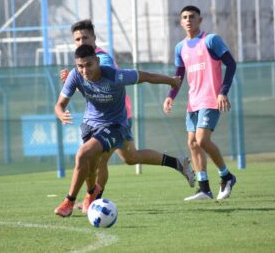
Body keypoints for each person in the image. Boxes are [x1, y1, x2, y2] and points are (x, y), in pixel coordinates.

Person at [59, 20, 193, 212]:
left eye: (85, 38)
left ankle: (93, 202)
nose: (81, 42)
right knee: (130, 157)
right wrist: (75, 77)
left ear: (94, 38)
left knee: (98, 158)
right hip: (100, 118)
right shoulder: (84, 62)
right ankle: (177, 163)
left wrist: (170, 81)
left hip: (115, 118)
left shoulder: (101, 61)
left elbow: (122, 76)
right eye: (77, 39)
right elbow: (84, 80)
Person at [163, 5, 237, 201]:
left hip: (211, 98)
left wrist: (223, 92)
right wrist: (171, 95)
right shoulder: (180, 47)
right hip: (193, 101)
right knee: (192, 143)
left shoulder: (211, 40)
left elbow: (231, 63)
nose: (188, 20)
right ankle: (204, 188)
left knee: (203, 139)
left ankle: (227, 176)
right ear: (181, 22)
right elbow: (179, 75)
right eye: (185, 17)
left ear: (200, 19)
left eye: (192, 16)